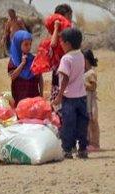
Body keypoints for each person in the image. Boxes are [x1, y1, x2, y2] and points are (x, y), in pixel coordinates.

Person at [52, 27, 89, 159]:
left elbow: (65, 78)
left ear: (67, 43)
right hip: (82, 97)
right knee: (82, 124)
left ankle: (67, 150)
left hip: (69, 98)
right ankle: (83, 149)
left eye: (61, 42)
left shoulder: (66, 59)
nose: (60, 44)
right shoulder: (81, 55)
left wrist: (59, 95)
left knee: (68, 125)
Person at [7, 30, 43, 103]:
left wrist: (41, 94)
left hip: (34, 97)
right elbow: (13, 76)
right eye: (26, 44)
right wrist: (22, 64)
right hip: (20, 98)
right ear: (18, 44)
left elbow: (40, 78)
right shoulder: (13, 61)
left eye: (30, 44)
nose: (29, 47)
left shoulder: (33, 59)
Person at [83, 49, 100, 151]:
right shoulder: (83, 72)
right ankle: (88, 142)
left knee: (93, 122)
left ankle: (95, 143)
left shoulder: (91, 73)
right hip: (85, 101)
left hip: (91, 101)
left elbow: (93, 87)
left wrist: (82, 84)